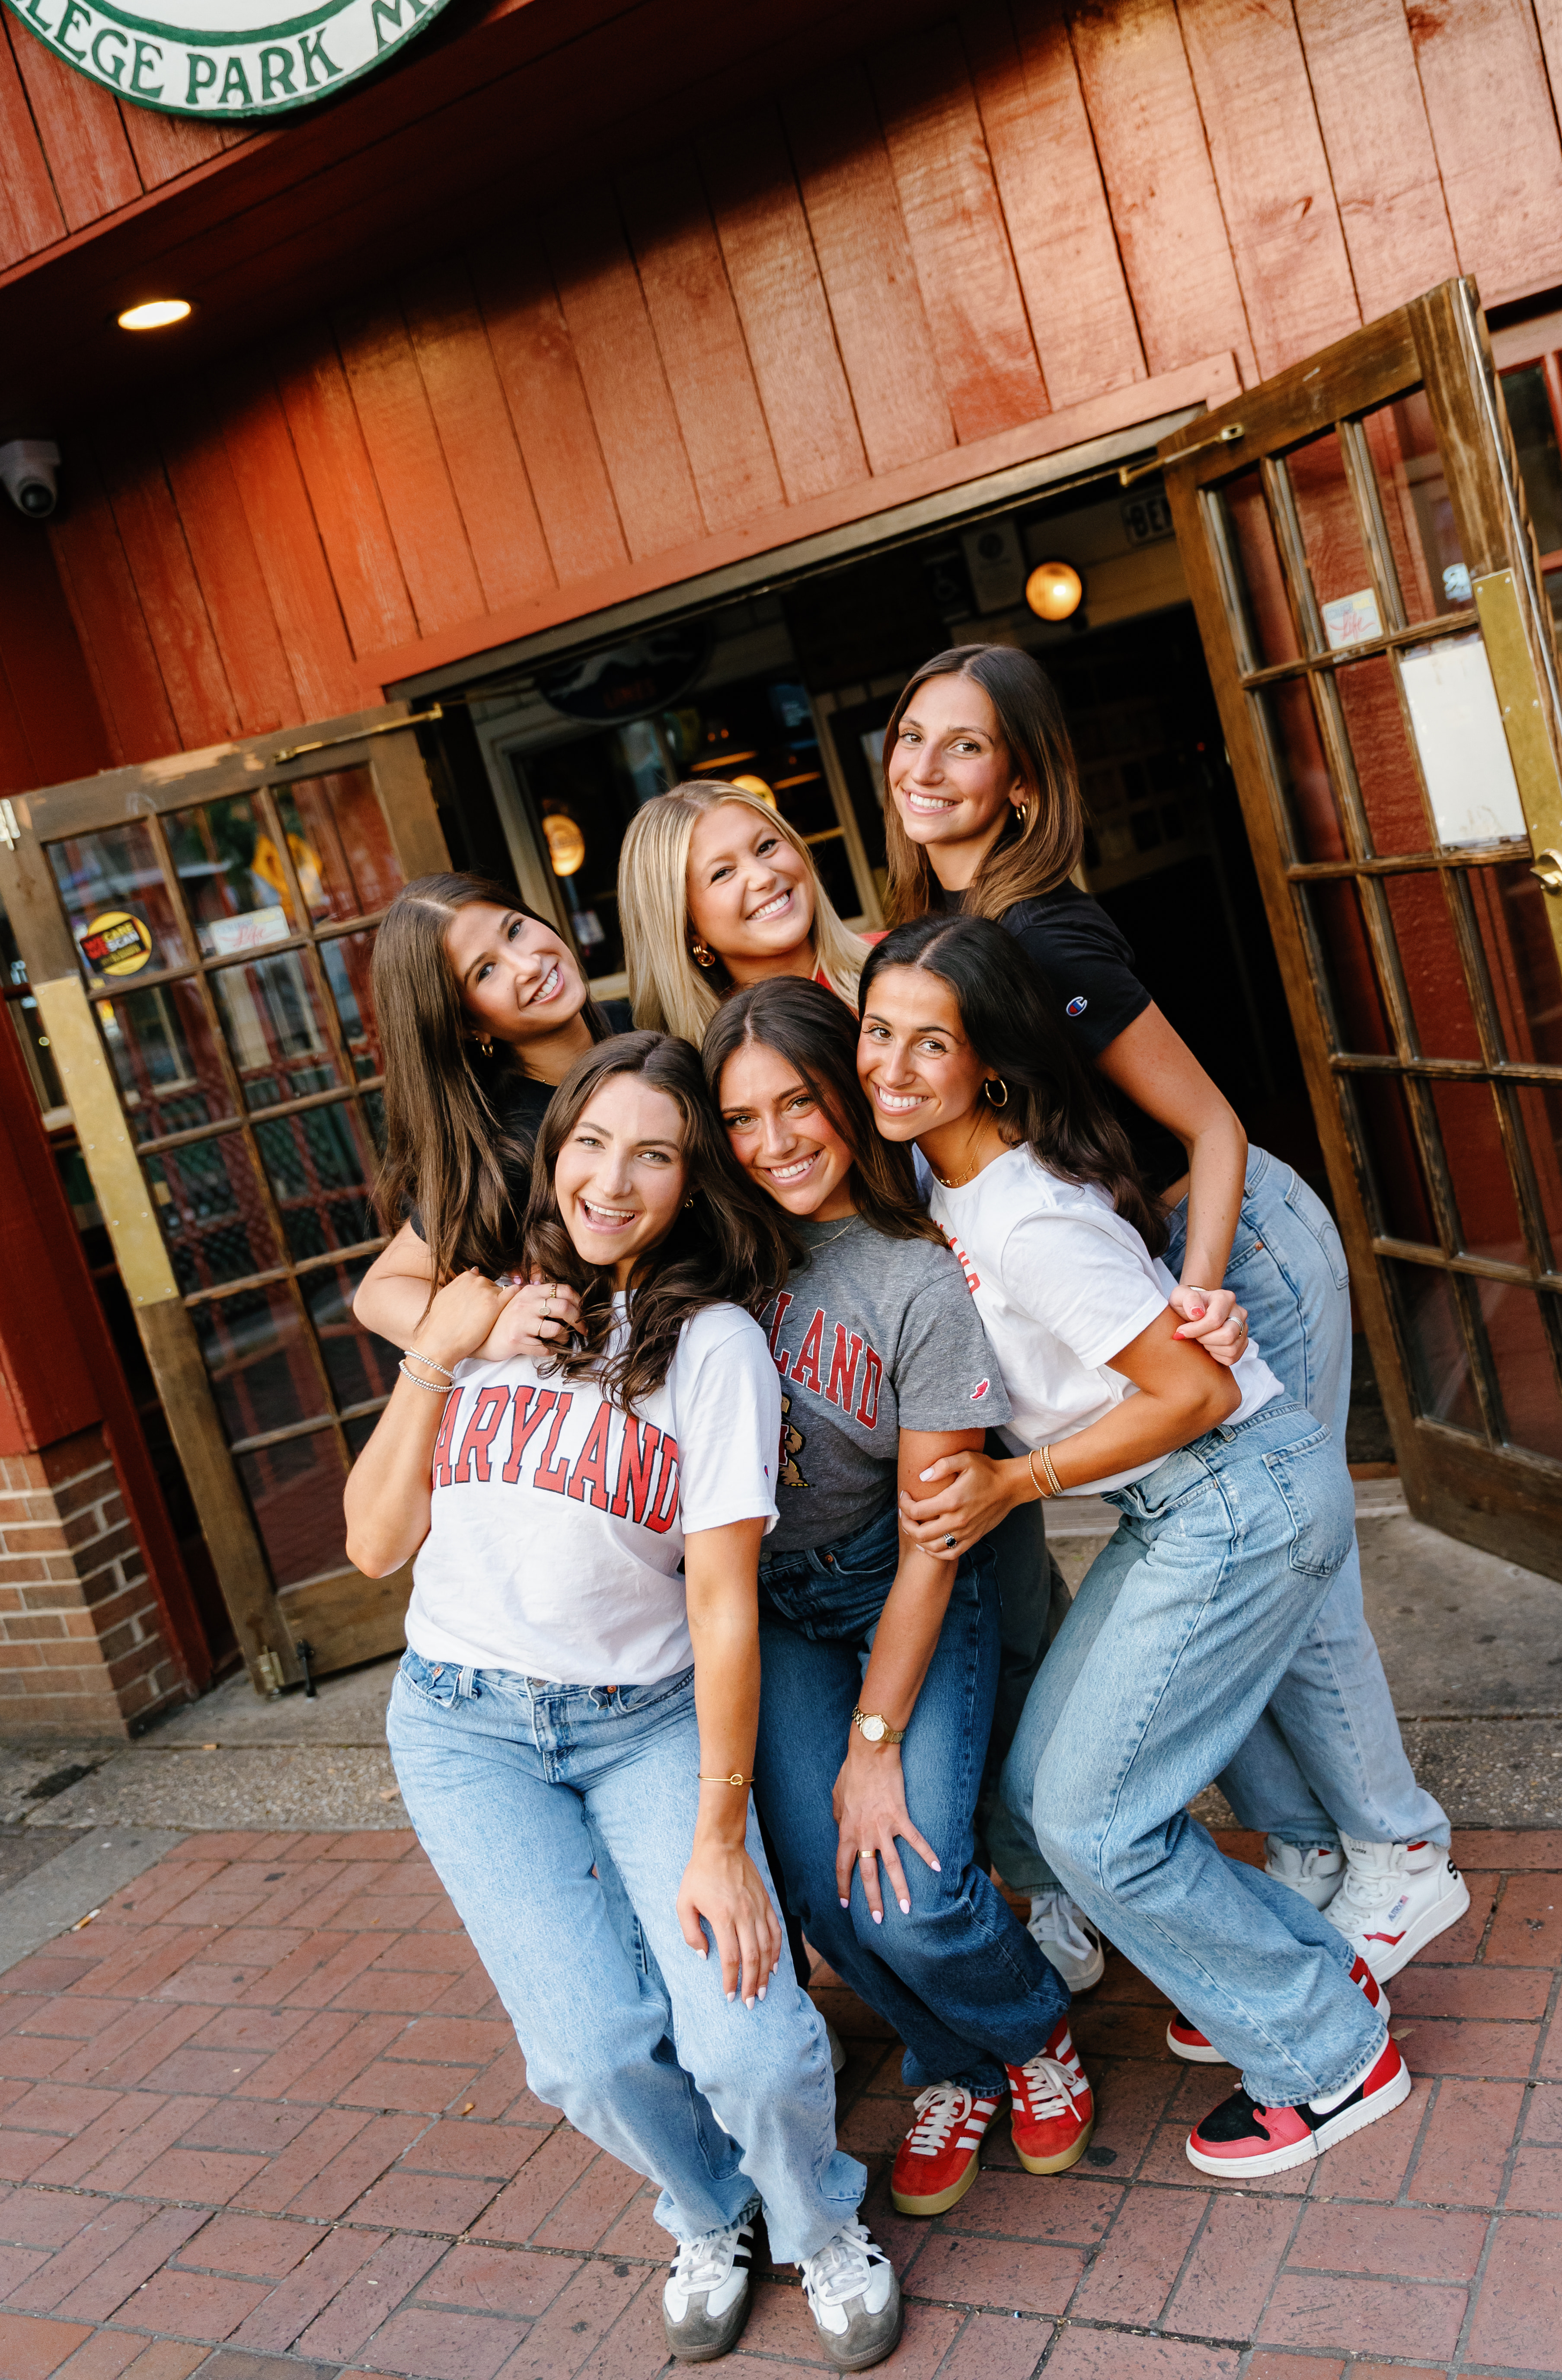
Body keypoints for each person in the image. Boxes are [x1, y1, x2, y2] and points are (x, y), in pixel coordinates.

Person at [880, 645, 1466, 1988]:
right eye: (910, 737)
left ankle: (1399, 1851)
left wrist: (1202, 1288)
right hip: (1155, 1253)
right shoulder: (952, 933)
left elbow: (1208, 1121)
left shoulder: (1044, 934)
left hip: (1232, 1237)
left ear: (1021, 784)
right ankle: (1310, 1850)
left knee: (1282, 1545)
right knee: (1221, 1556)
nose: (922, 766)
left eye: (962, 745)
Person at [345, 1030, 903, 2369]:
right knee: (587, 2052)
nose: (611, 1176)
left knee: (755, 2041)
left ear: (690, 1181)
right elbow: (373, 1543)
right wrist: (444, 1344)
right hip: (464, 1724)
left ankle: (820, 2218)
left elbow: (720, 1603)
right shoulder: (478, 1306)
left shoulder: (713, 1347)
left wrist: (721, 1832)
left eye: (652, 1152)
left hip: (641, 1723)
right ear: (555, 1151)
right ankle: (712, 2210)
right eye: (591, 1141)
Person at [857, 917, 1413, 2179]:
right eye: (877, 1031)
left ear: (988, 1063)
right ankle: (1313, 1984)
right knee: (1041, 1794)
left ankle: (1331, 2055)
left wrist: (1017, 1480)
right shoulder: (944, 1181)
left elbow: (1195, 1394)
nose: (889, 1063)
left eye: (926, 1042)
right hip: (1185, 1508)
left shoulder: (1026, 1220)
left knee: (1098, 1823)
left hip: (1238, 1497)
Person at [703, 977, 1089, 2220]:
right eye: (743, 1121)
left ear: (849, 1100)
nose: (774, 1145)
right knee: (825, 1894)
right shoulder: (715, 1256)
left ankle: (1032, 2037)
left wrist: (874, 1745)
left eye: (799, 1106)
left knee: (915, 1894)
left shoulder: (916, 1280)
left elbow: (934, 1542)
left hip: (904, 1591)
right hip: (777, 1607)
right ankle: (953, 2063)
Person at [351, 871, 600, 1364]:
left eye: (515, 930)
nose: (527, 964)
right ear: (466, 1024)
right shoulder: (510, 1144)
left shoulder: (647, 1024)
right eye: (485, 972)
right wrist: (492, 1331)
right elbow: (377, 1294)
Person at [620, 781, 869, 1043]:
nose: (764, 877)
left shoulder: (905, 966)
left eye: (766, 846)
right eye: (723, 873)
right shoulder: (704, 1069)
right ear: (688, 927)